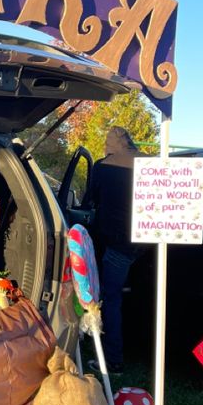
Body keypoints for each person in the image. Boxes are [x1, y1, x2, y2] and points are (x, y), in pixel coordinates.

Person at [86, 126, 142, 376]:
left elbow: (91, 200)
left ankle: (113, 360)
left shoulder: (104, 166)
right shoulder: (149, 163)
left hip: (117, 242)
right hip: (146, 242)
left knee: (111, 298)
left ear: (110, 143)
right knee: (135, 294)